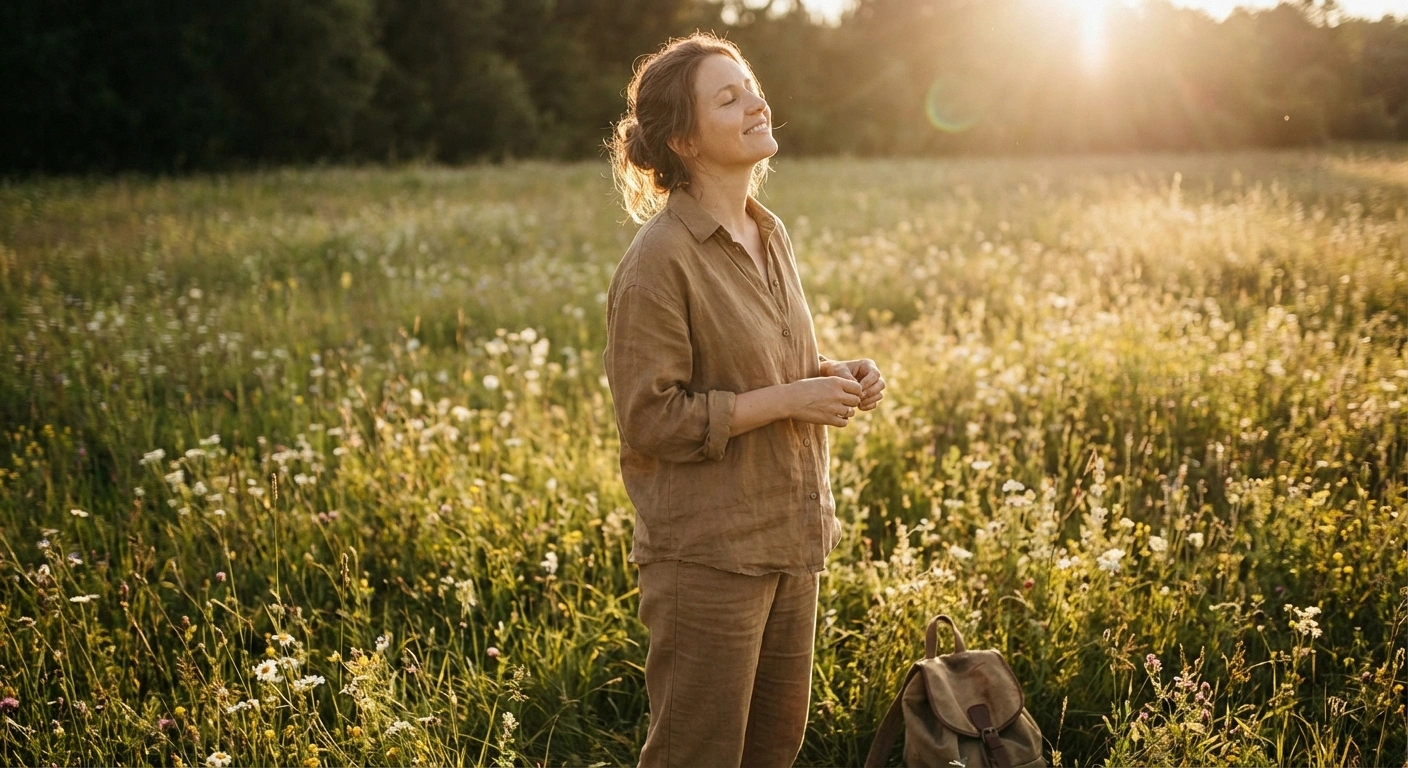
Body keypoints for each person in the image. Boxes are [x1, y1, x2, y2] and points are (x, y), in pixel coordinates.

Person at [602, 31, 886, 768]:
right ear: (685, 140)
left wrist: (835, 373)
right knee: (696, 757)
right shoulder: (658, 259)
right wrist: (794, 397)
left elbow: (766, 361)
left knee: (771, 755)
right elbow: (651, 418)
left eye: (751, 86)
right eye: (727, 98)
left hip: (791, 539)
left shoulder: (770, 232)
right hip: (709, 558)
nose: (756, 102)